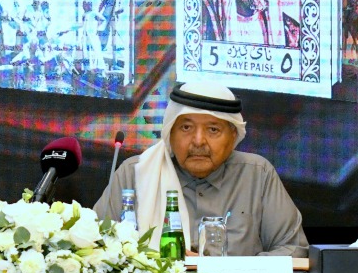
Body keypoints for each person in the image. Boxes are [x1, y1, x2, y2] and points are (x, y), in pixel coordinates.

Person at [93, 80, 307, 256]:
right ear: (170, 132)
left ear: (233, 136)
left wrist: (227, 270)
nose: (198, 141)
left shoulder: (257, 174)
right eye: (186, 127)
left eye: (213, 129)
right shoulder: (135, 173)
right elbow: (94, 244)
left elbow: (294, 249)